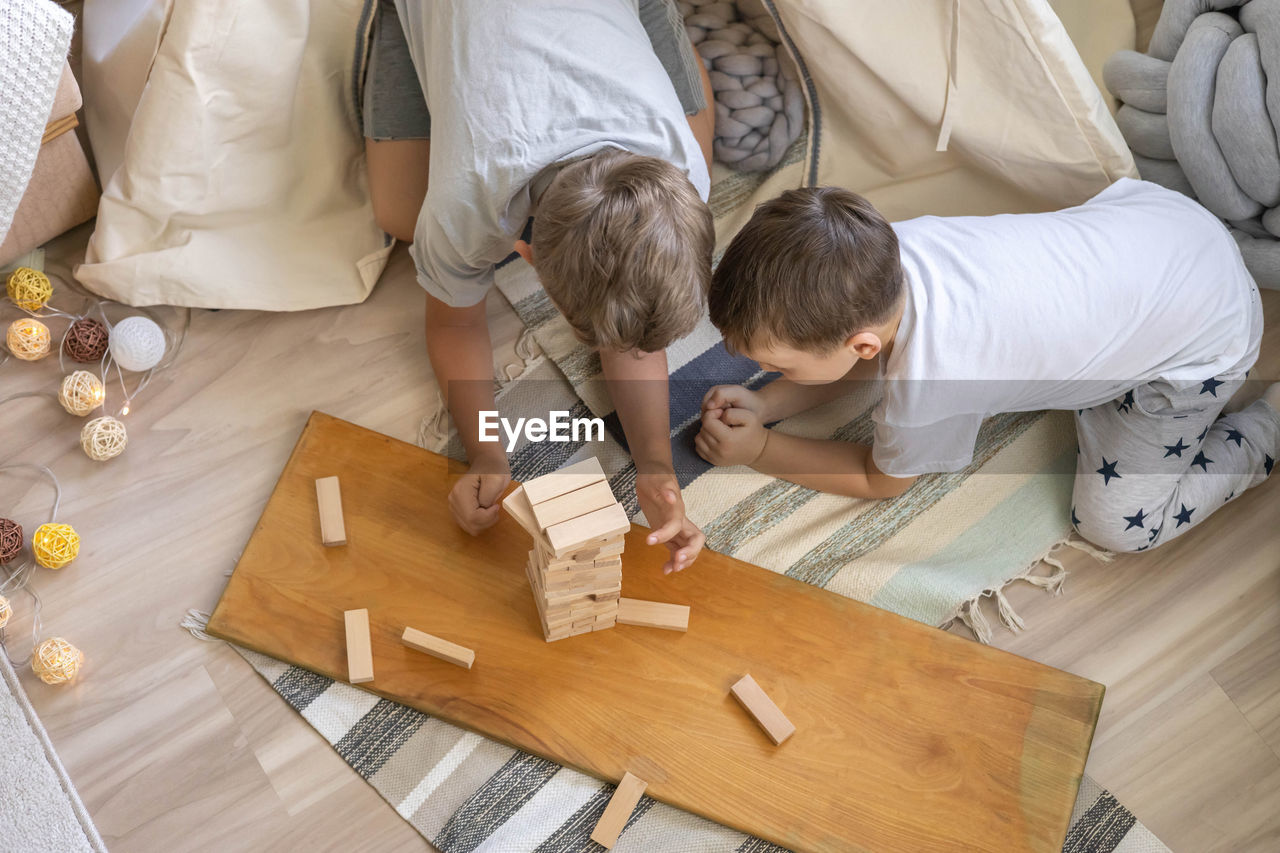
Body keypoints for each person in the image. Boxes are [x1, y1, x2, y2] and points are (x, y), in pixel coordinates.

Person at [695, 181, 1278, 552]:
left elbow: (883, 480)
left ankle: (1268, 428)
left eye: (774, 365)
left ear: (863, 345)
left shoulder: (937, 379)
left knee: (1117, 525)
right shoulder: (889, 252)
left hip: (1205, 345)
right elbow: (855, 355)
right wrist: (769, 403)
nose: (753, 368)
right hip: (1167, 221)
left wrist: (759, 451)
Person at [363, 0, 716, 572]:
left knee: (705, 140)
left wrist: (656, 464)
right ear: (521, 251)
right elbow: (454, 323)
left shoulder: (684, 169)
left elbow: (635, 335)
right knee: (403, 217)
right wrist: (484, 454)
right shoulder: (463, 207)